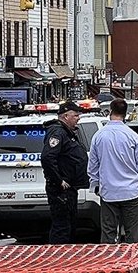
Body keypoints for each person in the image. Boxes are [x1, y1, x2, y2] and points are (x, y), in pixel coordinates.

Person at [88, 98, 138, 243]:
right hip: (132, 192)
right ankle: (132, 263)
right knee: (132, 235)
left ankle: (110, 263)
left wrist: (96, 185)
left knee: (108, 234)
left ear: (110, 111)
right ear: (126, 113)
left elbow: (92, 166)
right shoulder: (132, 136)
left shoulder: (99, 136)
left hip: (109, 192)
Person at [41, 102, 89, 244]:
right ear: (66, 116)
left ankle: (67, 258)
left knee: (69, 226)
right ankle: (58, 258)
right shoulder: (58, 132)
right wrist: (59, 180)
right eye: (75, 115)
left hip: (69, 189)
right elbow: (47, 157)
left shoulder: (67, 132)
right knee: (62, 228)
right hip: (61, 190)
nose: (78, 118)